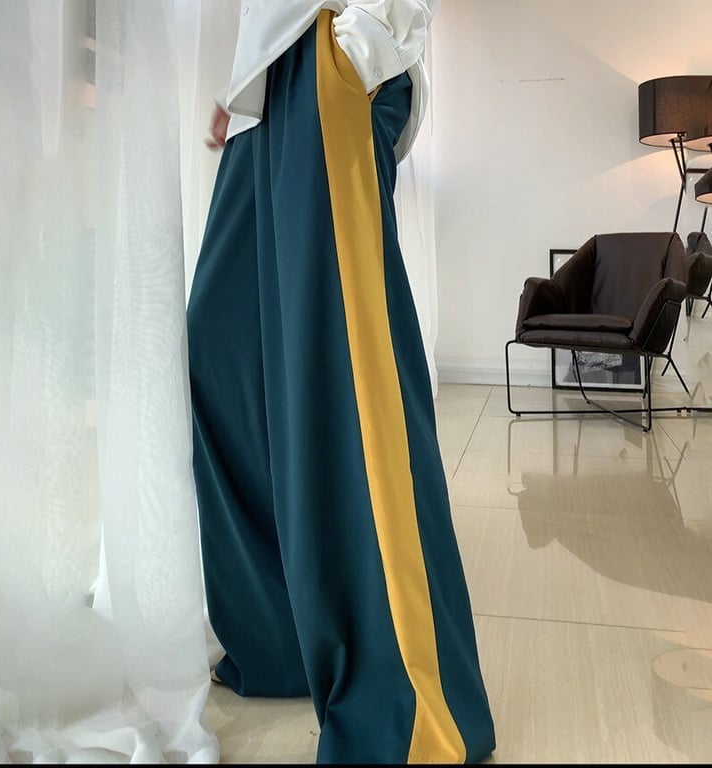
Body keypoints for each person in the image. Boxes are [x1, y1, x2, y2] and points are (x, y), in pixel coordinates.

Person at [186, 1, 496, 763]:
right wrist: (244, 81)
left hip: (333, 55)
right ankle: (283, 637)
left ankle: (408, 709)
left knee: (346, 384)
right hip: (272, 85)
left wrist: (367, 37)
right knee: (221, 361)